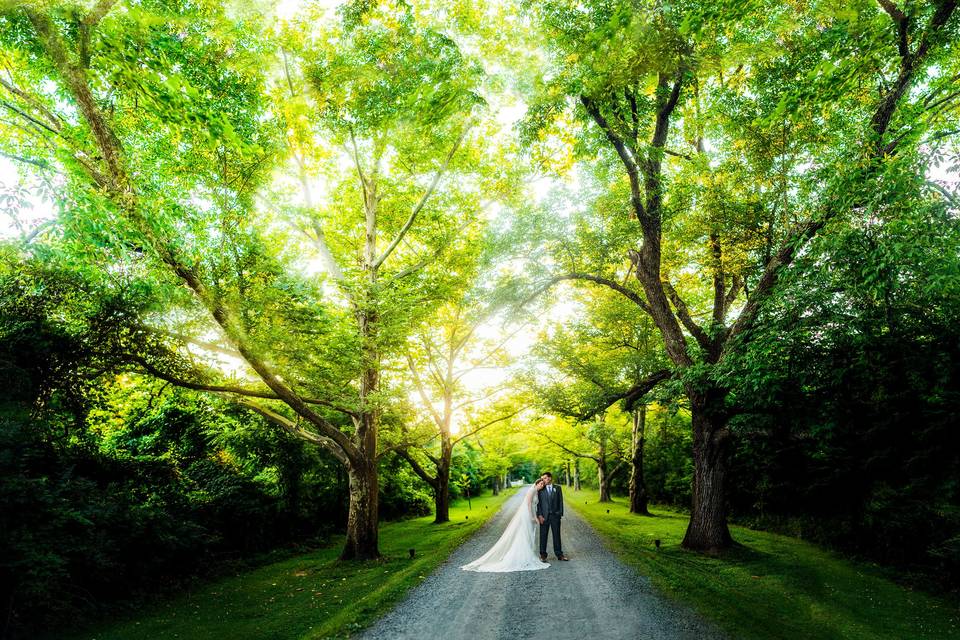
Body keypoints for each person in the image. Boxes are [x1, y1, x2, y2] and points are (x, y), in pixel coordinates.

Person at [460, 478, 551, 572]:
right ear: (536, 483)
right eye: (540, 484)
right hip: (527, 515)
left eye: (543, 485)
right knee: (524, 534)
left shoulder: (536, 492)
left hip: (531, 513)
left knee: (528, 535)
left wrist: (535, 516)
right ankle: (521, 556)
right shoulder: (531, 491)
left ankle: (525, 554)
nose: (542, 486)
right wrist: (532, 516)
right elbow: (528, 504)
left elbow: (534, 505)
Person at [536, 472, 570, 561]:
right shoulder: (540, 489)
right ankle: (543, 555)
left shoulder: (557, 488)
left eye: (545, 478)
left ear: (550, 478)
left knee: (557, 535)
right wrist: (539, 515)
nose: (543, 480)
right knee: (543, 536)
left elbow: (560, 502)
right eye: (542, 478)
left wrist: (560, 513)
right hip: (544, 517)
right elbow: (538, 504)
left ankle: (559, 554)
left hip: (555, 516)